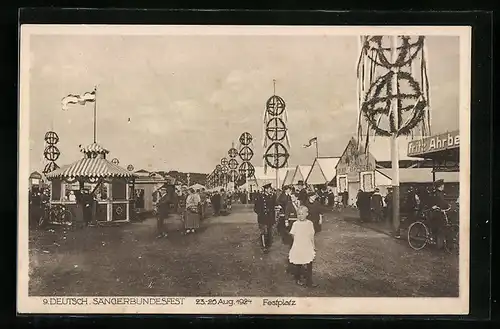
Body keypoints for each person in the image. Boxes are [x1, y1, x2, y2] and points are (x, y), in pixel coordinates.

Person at [288, 205, 317, 287]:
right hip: (299, 245)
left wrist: (313, 245)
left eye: (302, 214)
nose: (301, 216)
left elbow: (312, 235)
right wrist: (297, 242)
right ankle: (298, 279)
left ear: (307, 214)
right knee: (298, 263)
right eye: (299, 214)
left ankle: (309, 281)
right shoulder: (295, 224)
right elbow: (292, 234)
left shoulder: (309, 223)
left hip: (307, 245)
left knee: (309, 263)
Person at [253, 183, 276, 253]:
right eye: (269, 189)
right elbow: (256, 208)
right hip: (262, 218)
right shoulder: (260, 197)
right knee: (264, 232)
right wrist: (260, 214)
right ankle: (264, 247)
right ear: (266, 189)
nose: (270, 190)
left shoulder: (272, 197)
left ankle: (267, 245)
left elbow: (273, 207)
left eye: (270, 189)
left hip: (270, 218)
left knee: (269, 233)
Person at [428, 179, 450, 248]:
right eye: (442, 185)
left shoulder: (440, 193)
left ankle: (440, 243)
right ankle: (437, 243)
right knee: (439, 226)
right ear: (440, 186)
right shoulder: (437, 193)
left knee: (441, 226)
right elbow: (440, 202)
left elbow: (442, 202)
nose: (443, 186)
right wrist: (447, 206)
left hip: (439, 212)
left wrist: (447, 206)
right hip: (435, 213)